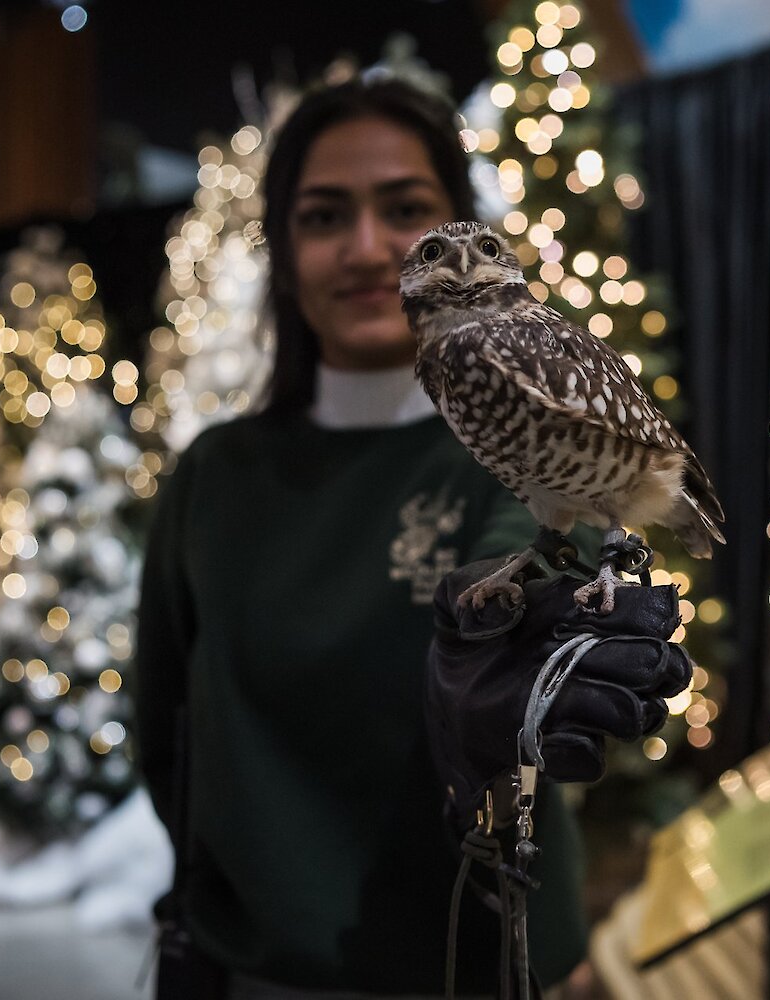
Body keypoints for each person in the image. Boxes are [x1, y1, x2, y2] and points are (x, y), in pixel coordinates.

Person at [134, 75, 684, 999]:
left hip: (485, 966)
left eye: (406, 209)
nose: (365, 248)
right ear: (284, 250)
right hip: (260, 973)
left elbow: (546, 535)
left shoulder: (517, 436)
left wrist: (508, 642)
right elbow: (164, 735)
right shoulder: (216, 479)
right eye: (321, 216)